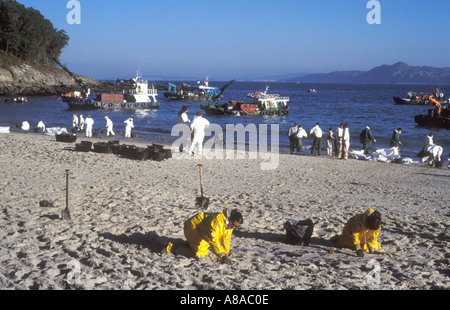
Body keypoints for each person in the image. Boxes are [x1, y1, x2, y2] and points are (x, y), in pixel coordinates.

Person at [167, 207, 243, 264]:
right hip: (193, 226)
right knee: (199, 254)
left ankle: (190, 244)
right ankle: (173, 247)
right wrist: (221, 255)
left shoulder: (230, 225)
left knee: (207, 249)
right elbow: (213, 239)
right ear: (229, 219)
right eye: (233, 224)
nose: (234, 227)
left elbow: (226, 239)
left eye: (236, 226)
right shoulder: (217, 221)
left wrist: (225, 253)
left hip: (204, 231)